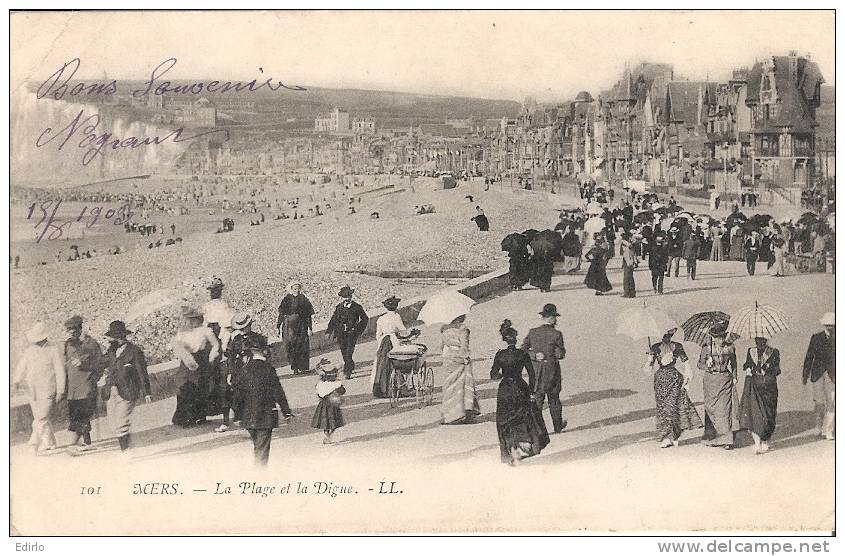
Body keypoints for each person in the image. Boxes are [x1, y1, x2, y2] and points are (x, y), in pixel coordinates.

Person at [490, 319, 550, 465]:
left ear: (504, 339)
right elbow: (532, 374)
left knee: (505, 420)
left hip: (505, 389)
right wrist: (531, 391)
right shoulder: (522, 354)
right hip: (519, 386)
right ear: (515, 339)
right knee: (523, 417)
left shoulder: (500, 355)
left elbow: (493, 375)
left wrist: (502, 375)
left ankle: (511, 449)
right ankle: (523, 446)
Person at [233, 336, 292, 466]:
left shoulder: (244, 370)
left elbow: (237, 394)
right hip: (266, 416)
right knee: (262, 449)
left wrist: (237, 415)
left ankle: (258, 469)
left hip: (248, 416)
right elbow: (279, 393)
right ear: (264, 351)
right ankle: (260, 474)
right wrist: (286, 412)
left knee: (258, 446)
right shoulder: (269, 369)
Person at [645, 329, 702, 448]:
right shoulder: (655, 348)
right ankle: (666, 437)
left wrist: (688, 377)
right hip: (660, 381)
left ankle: (674, 435)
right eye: (664, 335)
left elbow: (686, 364)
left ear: (671, 335)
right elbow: (647, 369)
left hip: (674, 379)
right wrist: (649, 362)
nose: (666, 337)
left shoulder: (677, 347)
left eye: (668, 335)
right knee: (663, 408)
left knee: (673, 407)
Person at [13, 322, 64, 454]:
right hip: (32, 390)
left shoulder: (53, 349)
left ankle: (33, 443)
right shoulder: (30, 350)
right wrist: (16, 381)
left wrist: (60, 390)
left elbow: (60, 371)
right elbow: (21, 366)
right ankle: (50, 442)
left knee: (41, 417)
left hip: (48, 388)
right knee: (40, 417)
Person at [101, 321, 152, 451]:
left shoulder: (134, 351)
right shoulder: (111, 352)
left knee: (121, 422)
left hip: (127, 391)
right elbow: (99, 363)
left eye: (113, 337)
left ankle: (126, 451)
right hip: (111, 391)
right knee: (113, 425)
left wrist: (147, 392)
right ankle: (127, 446)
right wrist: (83, 363)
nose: (110, 339)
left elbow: (142, 372)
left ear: (120, 336)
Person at [171, 307, 220, 427]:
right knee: (185, 387)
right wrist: (182, 353)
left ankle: (199, 415)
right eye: (189, 319)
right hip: (187, 361)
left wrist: (211, 357)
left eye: (193, 319)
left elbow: (215, 345)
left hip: (201, 359)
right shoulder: (182, 332)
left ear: (199, 319)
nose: (191, 322)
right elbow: (176, 347)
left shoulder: (206, 331)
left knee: (201, 387)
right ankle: (185, 417)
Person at [522, 304, 567, 433]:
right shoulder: (557, 334)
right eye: (555, 318)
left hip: (536, 372)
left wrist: (534, 355)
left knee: (537, 400)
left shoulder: (532, 332)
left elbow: (523, 351)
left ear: (543, 317)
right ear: (552, 318)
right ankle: (557, 426)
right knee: (554, 399)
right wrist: (556, 352)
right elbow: (561, 354)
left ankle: (537, 428)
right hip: (551, 371)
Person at [217, 312, 264, 432]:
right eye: (242, 328)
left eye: (245, 327)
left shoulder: (257, 338)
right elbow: (231, 357)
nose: (244, 330)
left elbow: (265, 355)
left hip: (254, 370)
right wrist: (230, 373)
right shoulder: (237, 339)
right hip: (240, 372)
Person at [63, 315, 105, 452]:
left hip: (86, 385)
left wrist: (91, 375)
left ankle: (83, 443)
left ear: (80, 329)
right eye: (69, 330)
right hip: (72, 389)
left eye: (74, 329)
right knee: (75, 415)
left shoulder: (91, 343)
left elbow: (100, 363)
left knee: (84, 413)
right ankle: (84, 442)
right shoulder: (67, 344)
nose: (71, 332)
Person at [698, 323, 739, 449]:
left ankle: (727, 439)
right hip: (710, 381)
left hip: (725, 380)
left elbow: (734, 363)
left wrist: (735, 376)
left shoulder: (730, 347)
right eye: (717, 337)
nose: (720, 340)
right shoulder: (707, 348)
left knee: (724, 409)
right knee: (711, 409)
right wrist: (707, 364)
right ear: (713, 337)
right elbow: (699, 365)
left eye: (722, 337)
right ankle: (712, 436)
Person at [739, 336, 781, 454]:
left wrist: (769, 368)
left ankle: (765, 440)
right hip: (755, 385)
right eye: (757, 342)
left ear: (766, 341)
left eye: (762, 341)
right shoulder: (751, 351)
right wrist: (748, 369)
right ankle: (757, 444)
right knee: (755, 414)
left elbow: (778, 369)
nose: (759, 344)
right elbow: (747, 364)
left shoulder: (774, 352)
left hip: (769, 387)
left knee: (769, 415)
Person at [202, 277, 234, 424]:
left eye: (214, 291)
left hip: (215, 337)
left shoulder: (212, 305)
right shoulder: (221, 305)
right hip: (217, 336)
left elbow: (207, 323)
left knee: (216, 373)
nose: (214, 293)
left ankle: (218, 408)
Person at [371, 296, 415, 398]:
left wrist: (381, 341)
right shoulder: (396, 316)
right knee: (396, 361)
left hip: (383, 341)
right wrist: (410, 334)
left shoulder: (381, 318)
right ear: (396, 307)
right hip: (393, 340)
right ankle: (397, 387)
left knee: (381, 363)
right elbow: (402, 330)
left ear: (386, 308)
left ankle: (381, 389)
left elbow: (378, 334)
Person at [440, 314, 480, 424]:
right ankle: (467, 411)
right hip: (459, 358)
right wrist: (465, 358)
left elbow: (442, 346)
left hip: (448, 360)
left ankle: (451, 414)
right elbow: (464, 346)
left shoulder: (444, 329)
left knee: (450, 386)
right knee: (465, 385)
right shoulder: (463, 329)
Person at [803, 313, 835, 441]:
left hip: (833, 375)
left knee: (832, 402)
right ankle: (818, 426)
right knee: (819, 402)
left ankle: (828, 430)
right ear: (824, 325)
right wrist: (805, 374)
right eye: (827, 325)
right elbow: (809, 356)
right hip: (817, 374)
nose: (830, 327)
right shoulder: (816, 338)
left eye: (832, 325)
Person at [326, 286, 369, 379]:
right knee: (343, 351)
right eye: (345, 297)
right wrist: (329, 331)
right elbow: (333, 319)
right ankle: (350, 364)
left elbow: (365, 319)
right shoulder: (339, 307)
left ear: (351, 296)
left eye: (348, 296)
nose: (347, 299)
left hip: (351, 333)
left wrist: (358, 330)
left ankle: (347, 371)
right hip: (341, 333)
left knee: (349, 351)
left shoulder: (357, 307)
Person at [277, 281, 315, 375]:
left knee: (302, 345)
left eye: (298, 288)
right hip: (289, 326)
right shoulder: (286, 299)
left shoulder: (304, 299)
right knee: (291, 345)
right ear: (291, 289)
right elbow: (281, 313)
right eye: (295, 289)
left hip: (301, 326)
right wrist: (278, 326)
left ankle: (302, 367)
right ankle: (294, 367)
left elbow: (308, 315)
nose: (297, 290)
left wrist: (310, 328)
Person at [311, 365, 346, 444]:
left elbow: (319, 395)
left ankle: (327, 435)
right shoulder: (336, 385)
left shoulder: (320, 385)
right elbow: (343, 391)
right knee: (334, 422)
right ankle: (330, 435)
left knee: (325, 422)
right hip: (333, 406)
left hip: (323, 406)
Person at [620, 232, 638, 298]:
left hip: (629, 262)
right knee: (629, 278)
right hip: (627, 261)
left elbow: (630, 244)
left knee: (627, 278)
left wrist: (624, 240)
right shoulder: (629, 245)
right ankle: (631, 293)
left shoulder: (629, 245)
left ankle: (628, 293)